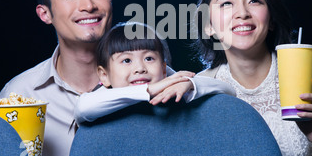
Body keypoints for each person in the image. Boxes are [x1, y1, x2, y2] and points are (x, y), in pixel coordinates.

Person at [0, 0, 234, 156]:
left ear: (110, 0)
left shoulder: (152, 76)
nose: (88, 5)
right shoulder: (20, 94)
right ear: (45, 13)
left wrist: (191, 84)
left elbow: (219, 92)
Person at [193, 0, 312, 156]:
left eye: (254, 1)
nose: (242, 13)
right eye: (226, 4)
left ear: (270, 21)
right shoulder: (200, 91)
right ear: (209, 26)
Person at [74, 22, 234, 124]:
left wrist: (189, 83)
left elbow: (228, 90)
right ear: (104, 75)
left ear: (164, 68)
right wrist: (149, 90)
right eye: (126, 61)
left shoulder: (171, 88)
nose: (140, 68)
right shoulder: (103, 97)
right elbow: (82, 108)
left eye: (149, 58)